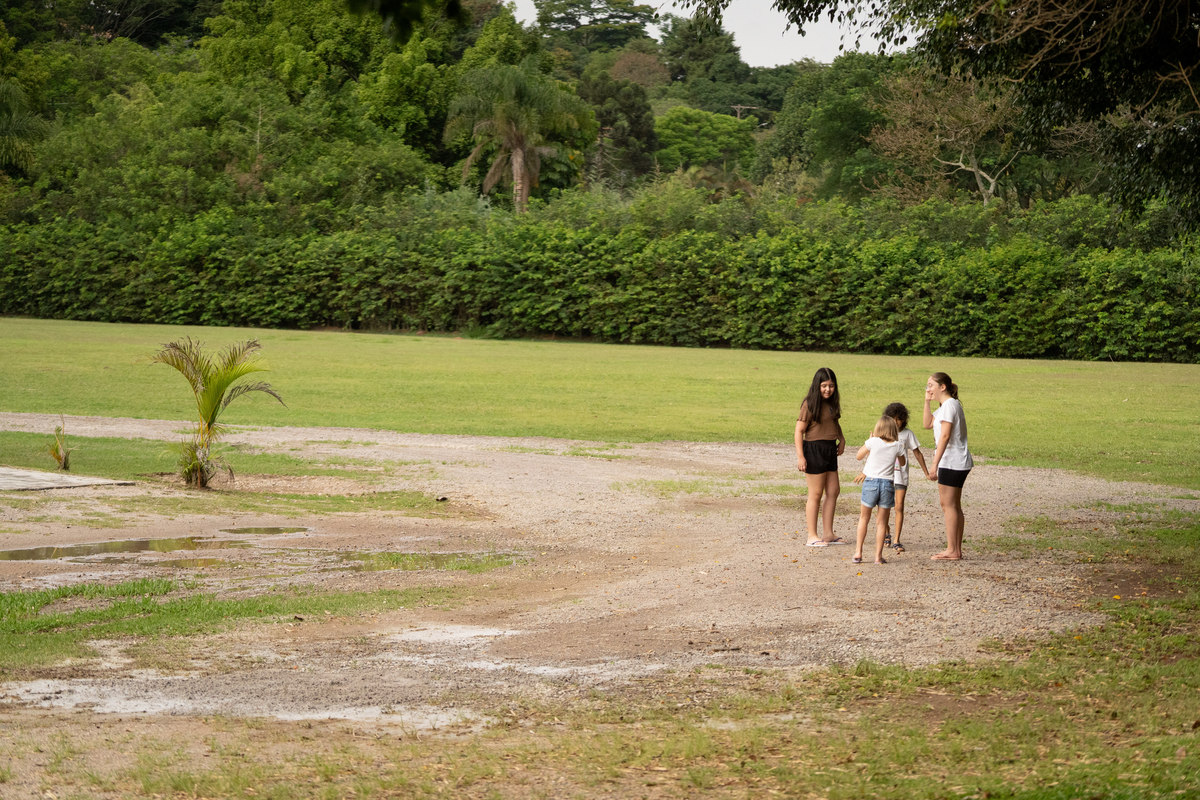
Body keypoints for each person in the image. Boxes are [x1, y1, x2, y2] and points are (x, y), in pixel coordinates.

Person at [923, 372, 973, 561]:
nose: (928, 389)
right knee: (952, 505)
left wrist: (934, 464)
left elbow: (945, 436)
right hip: (953, 461)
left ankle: (952, 549)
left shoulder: (950, 405)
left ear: (942, 387)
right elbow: (927, 424)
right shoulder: (946, 406)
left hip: (952, 461)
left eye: (930, 385)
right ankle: (955, 549)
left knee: (949, 505)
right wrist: (927, 402)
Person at [795, 367, 846, 547]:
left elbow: (834, 422)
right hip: (814, 449)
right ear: (817, 386)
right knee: (815, 493)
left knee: (833, 491)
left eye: (831, 386)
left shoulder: (832, 403)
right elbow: (799, 431)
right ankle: (812, 536)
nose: (827, 389)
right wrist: (800, 456)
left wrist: (841, 438)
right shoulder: (809, 404)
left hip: (829, 449)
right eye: (824, 386)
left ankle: (828, 534)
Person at [851, 416, 906, 564]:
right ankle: (877, 557)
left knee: (864, 518)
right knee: (882, 523)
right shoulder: (897, 445)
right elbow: (902, 462)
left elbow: (858, 456)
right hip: (887, 485)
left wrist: (871, 443)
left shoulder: (873, 441)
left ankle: (858, 552)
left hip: (871, 483)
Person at [882, 402, 929, 553]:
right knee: (884, 507)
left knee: (899, 506)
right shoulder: (884, 433)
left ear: (904, 419)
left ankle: (896, 540)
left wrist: (926, 473)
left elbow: (917, 453)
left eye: (899, 419)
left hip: (901, 475)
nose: (896, 422)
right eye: (893, 418)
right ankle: (886, 532)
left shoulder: (907, 434)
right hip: (886, 475)